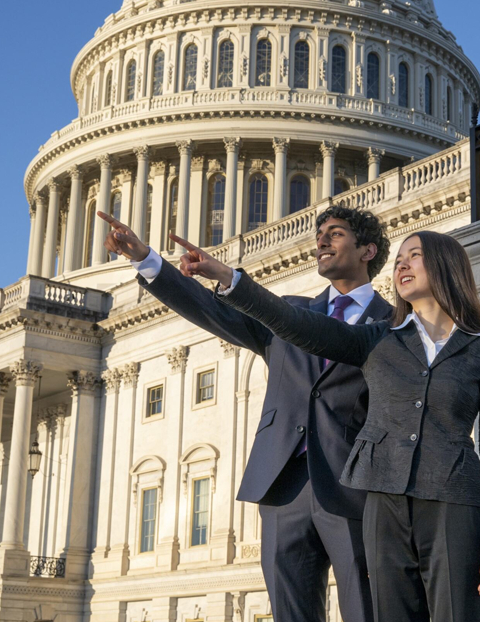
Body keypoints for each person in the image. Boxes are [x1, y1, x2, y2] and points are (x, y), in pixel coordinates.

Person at [169, 228, 480, 622]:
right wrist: (228, 278)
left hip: (455, 504)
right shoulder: (376, 338)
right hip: (383, 509)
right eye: (399, 258)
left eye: (414, 255)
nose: (401, 264)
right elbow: (294, 322)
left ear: (447, 266)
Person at [97, 208, 392, 622]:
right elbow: (211, 311)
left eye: (335, 234)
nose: (321, 241)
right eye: (319, 234)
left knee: (367, 610)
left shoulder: (393, 323)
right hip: (281, 486)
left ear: (367, 250)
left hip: (351, 486)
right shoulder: (287, 311)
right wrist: (146, 259)